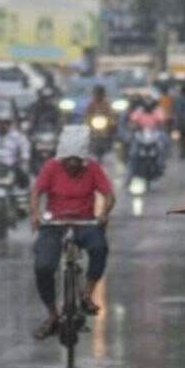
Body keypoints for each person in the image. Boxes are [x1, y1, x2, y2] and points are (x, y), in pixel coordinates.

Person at [29, 126, 115, 340]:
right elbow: (36, 192)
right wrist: (36, 214)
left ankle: (87, 295)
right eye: (69, 160)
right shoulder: (51, 167)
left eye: (77, 160)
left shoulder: (93, 168)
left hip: (85, 222)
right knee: (43, 266)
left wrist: (103, 212)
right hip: (54, 224)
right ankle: (52, 316)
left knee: (99, 248)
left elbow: (108, 194)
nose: (72, 164)